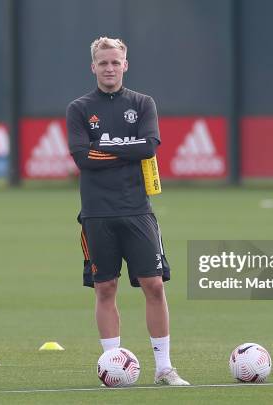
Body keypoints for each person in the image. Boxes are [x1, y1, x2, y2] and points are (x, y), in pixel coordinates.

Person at [66, 37, 189, 386]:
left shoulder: (142, 103)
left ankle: (164, 368)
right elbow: (81, 158)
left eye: (115, 62)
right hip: (96, 213)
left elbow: (149, 146)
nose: (109, 68)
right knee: (105, 288)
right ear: (93, 67)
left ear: (125, 65)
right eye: (103, 63)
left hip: (137, 210)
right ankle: (113, 365)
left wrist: (102, 145)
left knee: (154, 285)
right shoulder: (78, 108)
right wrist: (125, 148)